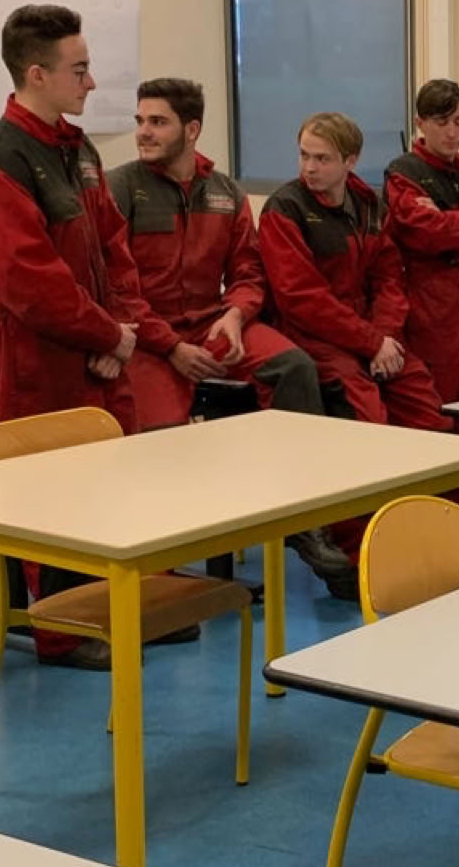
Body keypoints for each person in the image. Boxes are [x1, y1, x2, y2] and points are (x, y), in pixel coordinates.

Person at [0, 3, 153, 668]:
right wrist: (107, 335)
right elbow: (28, 282)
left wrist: (120, 330)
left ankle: (115, 610)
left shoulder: (77, 150)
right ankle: (63, 631)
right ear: (37, 74)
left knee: (111, 483)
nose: (91, 82)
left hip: (99, 350)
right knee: (51, 494)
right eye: (80, 69)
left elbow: (114, 244)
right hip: (39, 356)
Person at [107, 78, 352, 593]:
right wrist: (170, 346)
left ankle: (304, 519)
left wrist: (238, 314)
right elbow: (117, 288)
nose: (144, 132)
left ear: (192, 129)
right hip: (148, 338)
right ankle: (157, 580)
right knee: (159, 433)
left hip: (211, 325)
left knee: (294, 366)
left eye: (158, 122)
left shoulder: (224, 194)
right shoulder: (120, 189)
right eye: (140, 121)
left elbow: (248, 271)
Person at [257, 108, 449, 441]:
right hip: (316, 339)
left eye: (322, 159)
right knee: (367, 420)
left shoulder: (369, 206)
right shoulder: (285, 208)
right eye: (304, 155)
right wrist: (371, 343)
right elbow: (301, 299)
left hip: (371, 332)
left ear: (351, 161)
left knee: (428, 411)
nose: (309, 167)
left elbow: (390, 280)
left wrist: (384, 338)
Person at [382, 78, 459, 405]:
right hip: (431, 305)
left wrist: (452, 231)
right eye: (442, 122)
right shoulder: (403, 173)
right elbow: (427, 234)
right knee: (436, 409)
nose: (453, 132)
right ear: (420, 123)